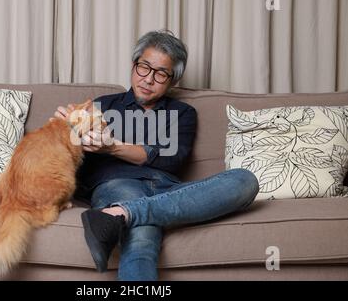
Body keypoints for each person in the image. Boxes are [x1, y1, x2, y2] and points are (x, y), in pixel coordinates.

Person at [55, 30, 259, 281]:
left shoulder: (183, 113)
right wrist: (67, 137)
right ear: (133, 65)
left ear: (172, 80)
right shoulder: (102, 106)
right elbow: (73, 165)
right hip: (119, 185)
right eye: (144, 67)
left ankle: (120, 214)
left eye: (161, 73)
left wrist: (113, 147)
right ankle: (128, 211)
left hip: (169, 189)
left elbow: (170, 159)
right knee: (141, 240)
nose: (149, 79)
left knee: (245, 180)